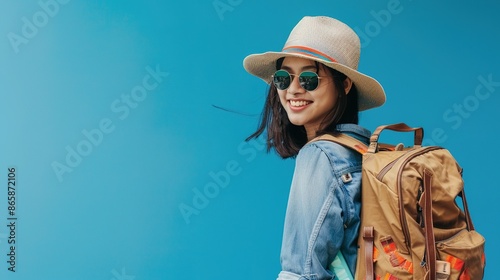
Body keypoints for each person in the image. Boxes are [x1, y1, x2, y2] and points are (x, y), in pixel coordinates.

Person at [242, 16, 386, 279]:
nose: (293, 90)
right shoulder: (364, 153)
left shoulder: (320, 156)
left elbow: (301, 272)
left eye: (309, 78)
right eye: (283, 78)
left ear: (345, 84)